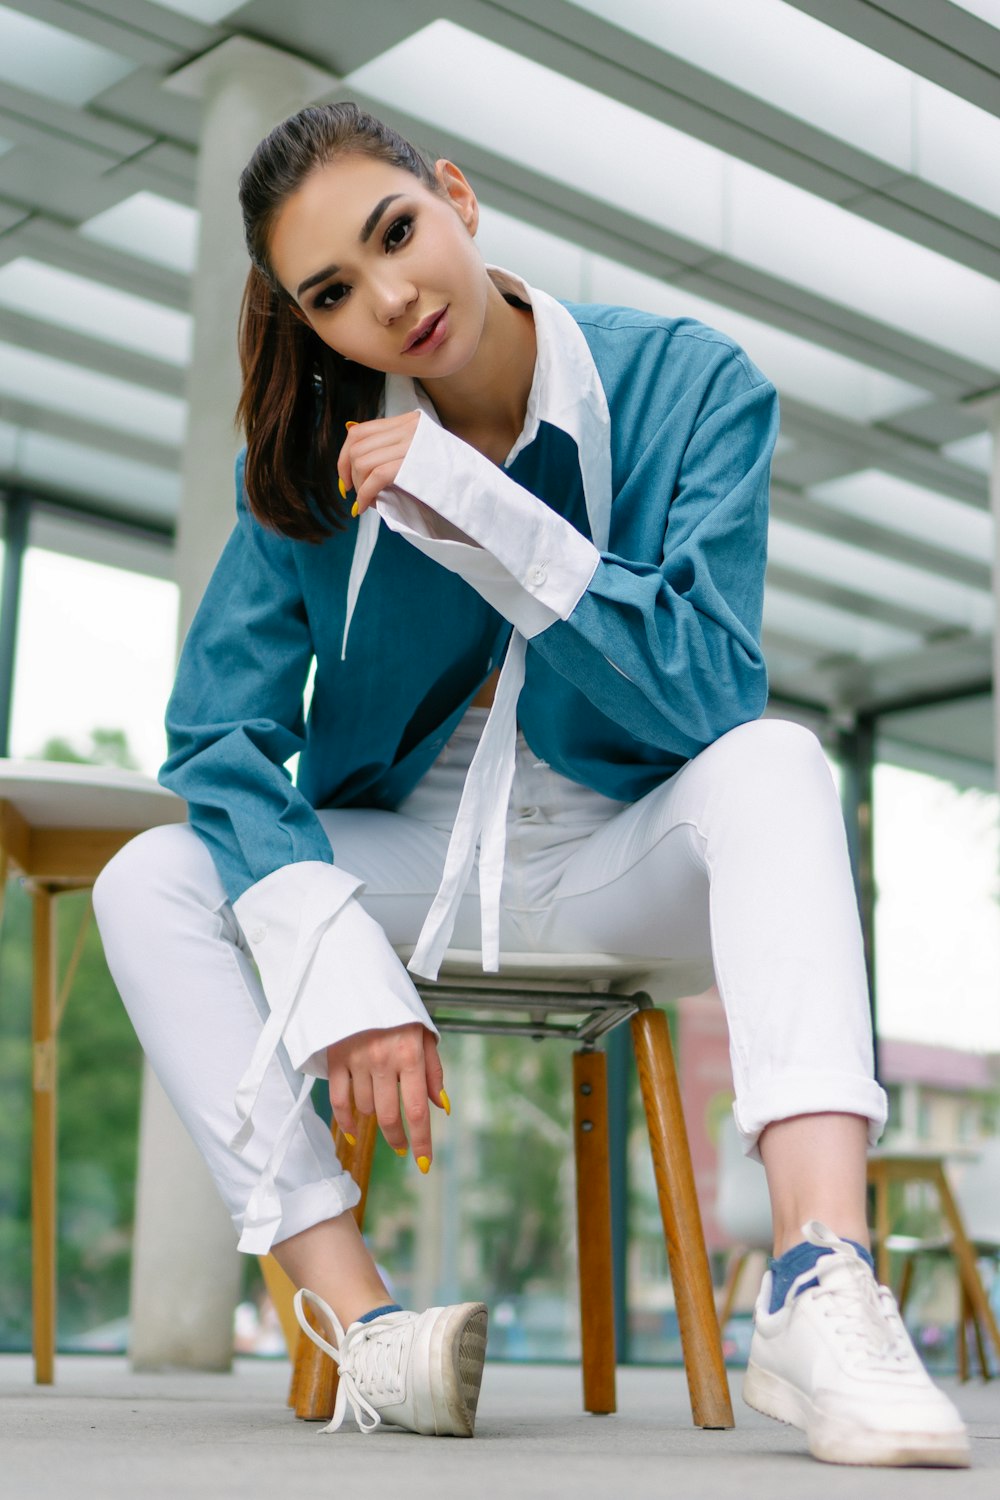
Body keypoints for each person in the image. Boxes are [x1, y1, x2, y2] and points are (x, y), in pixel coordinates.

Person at [94, 102, 969, 1465]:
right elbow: (216, 741)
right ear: (313, 323)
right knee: (147, 877)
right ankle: (362, 1319)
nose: (390, 300)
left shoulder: (688, 383)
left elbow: (706, 693)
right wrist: (330, 958)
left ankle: (818, 1276)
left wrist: (482, 509)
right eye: (335, 292)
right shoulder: (303, 471)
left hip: (631, 855)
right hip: (408, 864)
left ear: (457, 195)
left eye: (398, 235)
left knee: (783, 759)